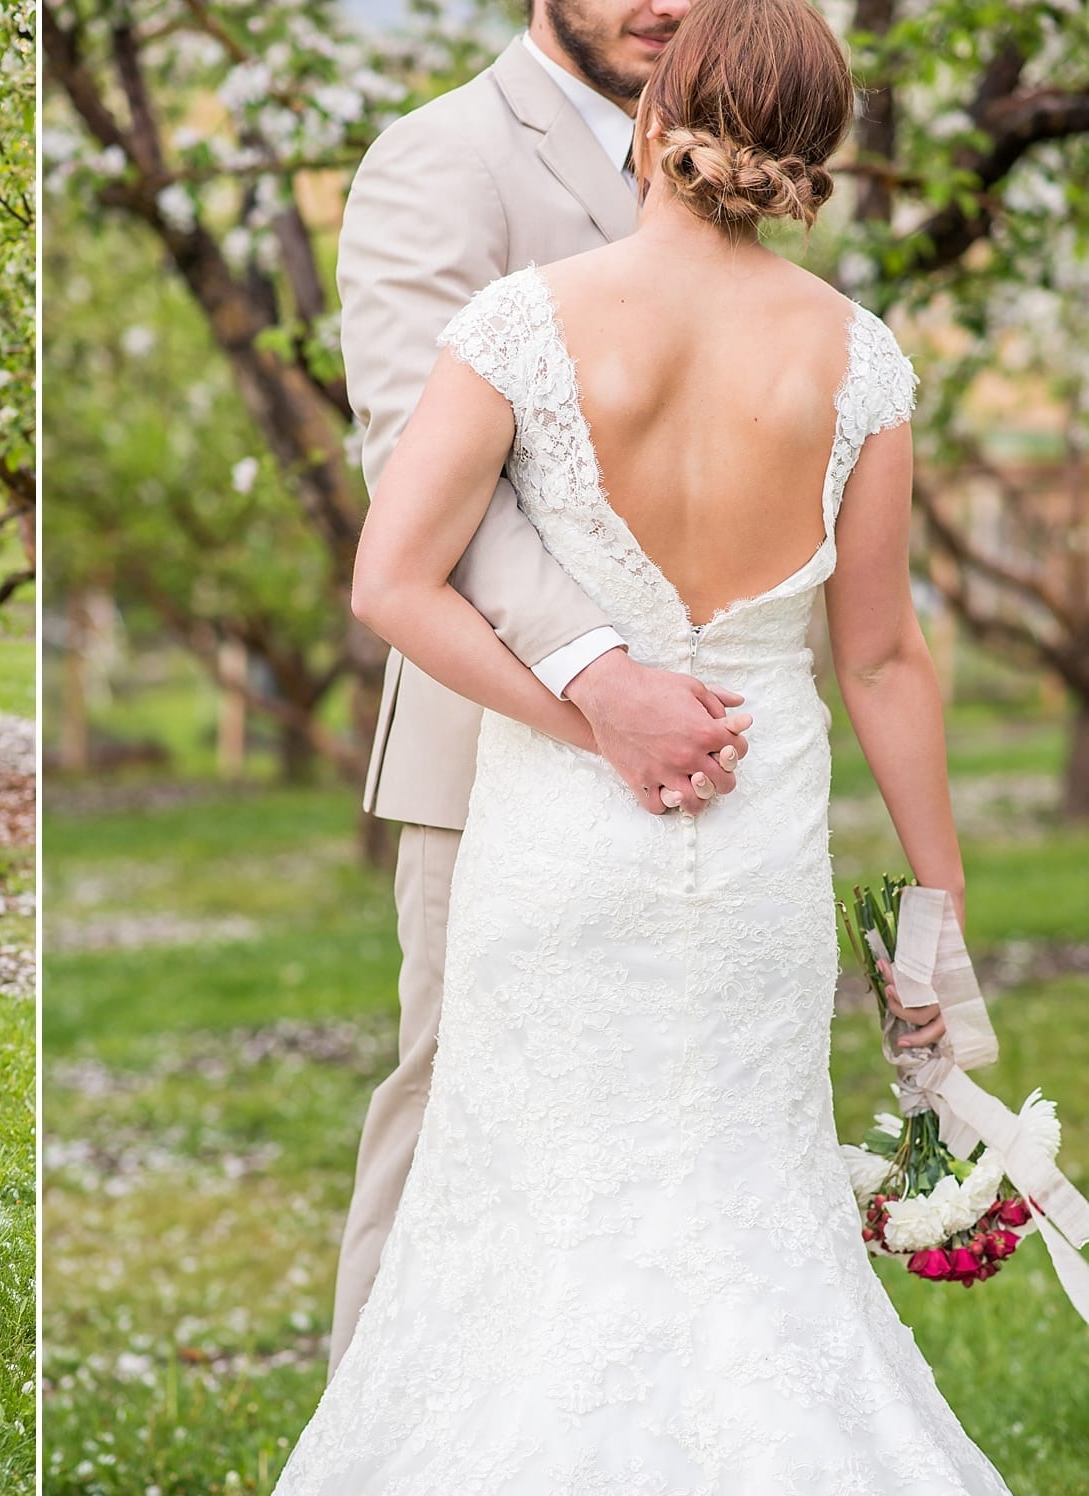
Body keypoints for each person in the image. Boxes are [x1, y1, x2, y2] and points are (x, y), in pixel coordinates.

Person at [233, 1, 1054, 1496]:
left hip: (561, 849)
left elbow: (394, 585)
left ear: (657, 109)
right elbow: (884, 663)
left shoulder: (527, 324)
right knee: (746, 1219)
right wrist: (931, 928)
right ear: (817, 156)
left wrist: (580, 711)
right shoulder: (862, 362)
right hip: (753, 858)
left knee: (522, 1219)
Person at [329, 0, 767, 1367]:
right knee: (462, 1101)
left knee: (677, 1125)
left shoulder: (737, 158)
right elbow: (416, 469)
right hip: (497, 734)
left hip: (717, 745)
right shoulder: (442, 158)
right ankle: (375, 1480)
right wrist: (600, 682)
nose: (665, 8)